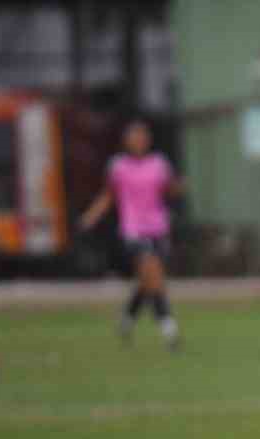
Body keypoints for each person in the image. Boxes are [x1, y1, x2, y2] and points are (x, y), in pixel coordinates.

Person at [79, 119, 186, 349]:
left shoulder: (159, 164)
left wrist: (179, 186)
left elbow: (171, 190)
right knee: (154, 275)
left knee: (147, 281)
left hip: (158, 227)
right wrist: (91, 215)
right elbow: (108, 196)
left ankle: (126, 321)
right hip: (134, 229)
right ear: (126, 141)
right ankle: (170, 330)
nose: (138, 141)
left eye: (142, 137)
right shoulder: (118, 166)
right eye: (133, 137)